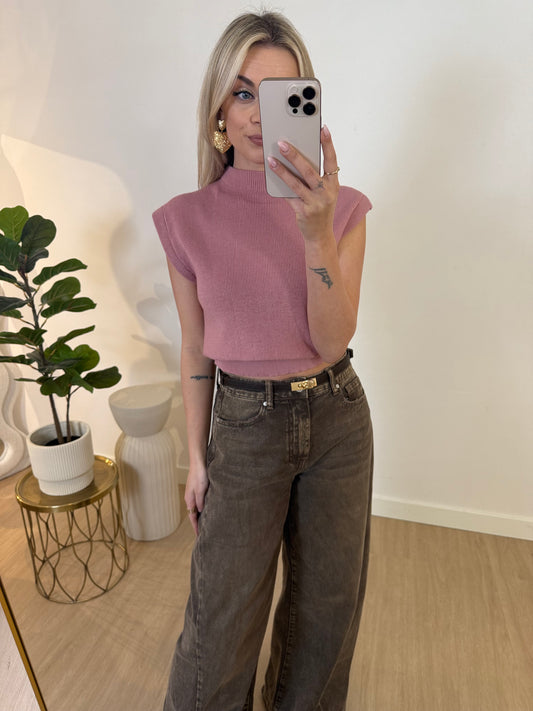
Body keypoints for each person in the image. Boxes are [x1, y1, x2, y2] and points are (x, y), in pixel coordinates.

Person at [153, 10, 373, 711]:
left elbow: (332, 340)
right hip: (244, 427)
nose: (256, 114)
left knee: (324, 619)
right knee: (219, 627)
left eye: (280, 96)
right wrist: (196, 457)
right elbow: (196, 348)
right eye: (243, 92)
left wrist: (315, 232)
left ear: (306, 107)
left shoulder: (343, 210)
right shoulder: (185, 219)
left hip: (337, 421)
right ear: (218, 107)